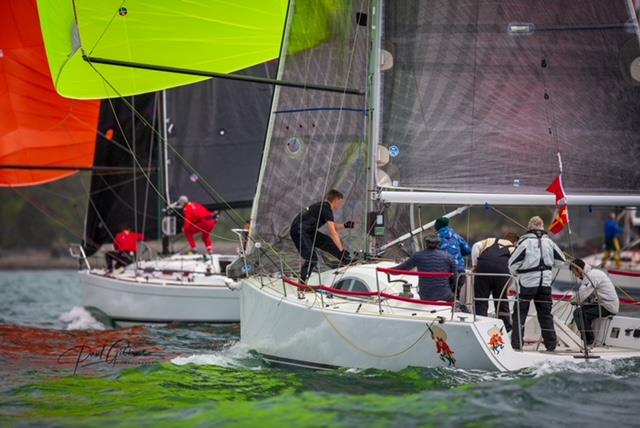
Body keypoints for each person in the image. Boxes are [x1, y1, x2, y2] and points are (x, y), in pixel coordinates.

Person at [509, 216, 566, 351]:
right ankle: (551, 345)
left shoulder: (525, 243)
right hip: (545, 284)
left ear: (529, 228)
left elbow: (512, 263)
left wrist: (517, 274)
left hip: (528, 284)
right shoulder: (549, 243)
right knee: (545, 314)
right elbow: (561, 261)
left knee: (520, 313)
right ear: (542, 227)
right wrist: (549, 266)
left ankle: (517, 345)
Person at [289, 189, 354, 283]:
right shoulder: (325, 209)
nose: (341, 205)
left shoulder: (324, 207)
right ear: (335, 200)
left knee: (327, 241)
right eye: (340, 202)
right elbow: (332, 232)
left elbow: (333, 226)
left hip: (307, 231)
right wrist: (341, 249)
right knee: (312, 258)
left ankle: (346, 259)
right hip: (299, 231)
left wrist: (345, 225)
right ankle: (302, 284)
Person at [471, 232, 519, 331]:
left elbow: (475, 246)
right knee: (501, 299)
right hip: (501, 272)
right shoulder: (514, 248)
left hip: (483, 268)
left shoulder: (490, 240)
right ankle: (505, 327)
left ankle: (481, 325)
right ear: (514, 242)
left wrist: (475, 265)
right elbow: (515, 266)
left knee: (481, 299)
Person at [391, 232, 457, 301]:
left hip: (425, 296)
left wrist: (387, 271)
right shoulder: (449, 257)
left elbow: (402, 268)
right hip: (445, 295)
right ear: (438, 244)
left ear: (426, 244)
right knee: (454, 299)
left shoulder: (417, 256)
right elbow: (455, 278)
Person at [570, 258, 619, 346]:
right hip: (602, 304)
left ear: (579, 269)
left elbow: (583, 293)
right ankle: (585, 338)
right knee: (581, 311)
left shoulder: (592, 275)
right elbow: (588, 295)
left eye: (575, 273)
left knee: (578, 313)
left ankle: (588, 341)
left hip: (608, 306)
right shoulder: (591, 274)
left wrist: (573, 301)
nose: (576, 276)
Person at [435, 216, 471, 296]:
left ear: (437, 226)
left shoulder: (435, 238)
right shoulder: (456, 236)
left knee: (442, 297)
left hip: (443, 273)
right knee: (455, 296)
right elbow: (468, 250)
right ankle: (455, 306)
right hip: (459, 272)